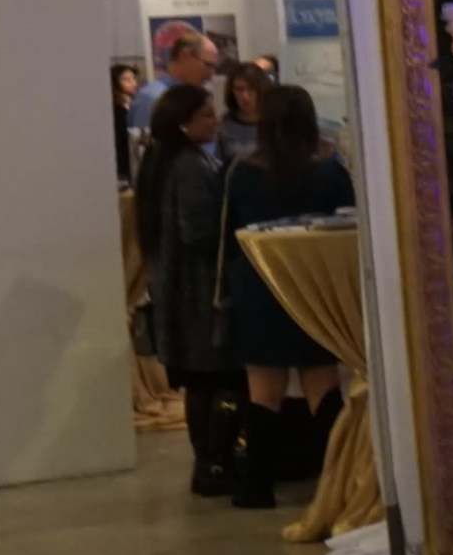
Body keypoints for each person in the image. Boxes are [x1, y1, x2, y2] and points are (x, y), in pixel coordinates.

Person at [215, 81, 353, 511]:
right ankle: (343, 483)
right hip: (314, 288)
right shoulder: (330, 169)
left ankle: (256, 486)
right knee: (323, 387)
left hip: (259, 288)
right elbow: (347, 223)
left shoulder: (242, 172)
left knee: (263, 392)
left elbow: (224, 234)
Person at [132, 83, 241, 497]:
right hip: (199, 295)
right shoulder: (190, 167)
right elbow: (198, 231)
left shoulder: (163, 162)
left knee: (201, 383)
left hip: (179, 293)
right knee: (221, 379)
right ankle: (216, 462)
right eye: (207, 115)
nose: (216, 121)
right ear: (184, 122)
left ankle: (208, 462)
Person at [130, 25, 217, 149]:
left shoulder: (197, 97)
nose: (210, 75)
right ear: (185, 55)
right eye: (208, 65)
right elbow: (146, 154)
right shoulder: (151, 99)